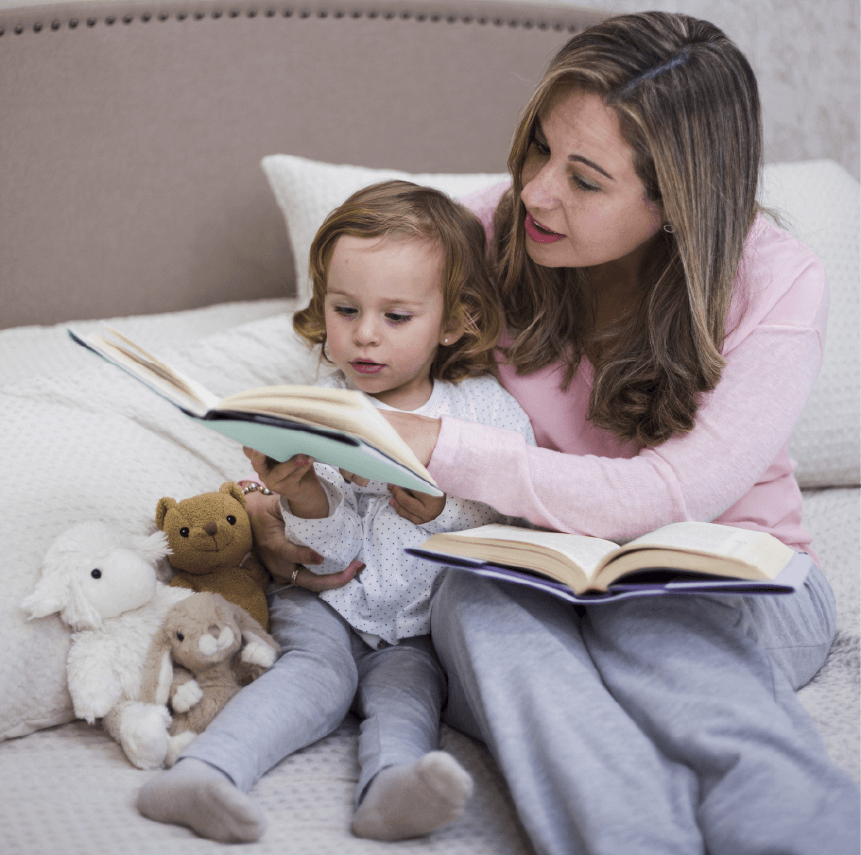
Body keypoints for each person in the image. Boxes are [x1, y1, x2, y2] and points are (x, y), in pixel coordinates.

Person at [248, 12, 860, 855]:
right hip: (545, 574)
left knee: (646, 617)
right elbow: (352, 311)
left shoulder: (772, 277)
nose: (533, 191)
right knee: (464, 591)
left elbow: (669, 496)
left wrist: (432, 442)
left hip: (737, 578)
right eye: (537, 147)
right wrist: (279, 491)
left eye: (584, 178)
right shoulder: (486, 236)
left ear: (675, 201)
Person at [138, 180, 535, 843]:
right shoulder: (321, 407)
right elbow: (324, 548)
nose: (363, 336)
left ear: (456, 318)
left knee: (407, 694)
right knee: (312, 677)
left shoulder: (484, 411)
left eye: (396, 316)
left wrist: (436, 508)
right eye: (345, 309)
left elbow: (512, 523)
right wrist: (302, 496)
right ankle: (204, 771)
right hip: (326, 602)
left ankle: (391, 789)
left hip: (415, 622)